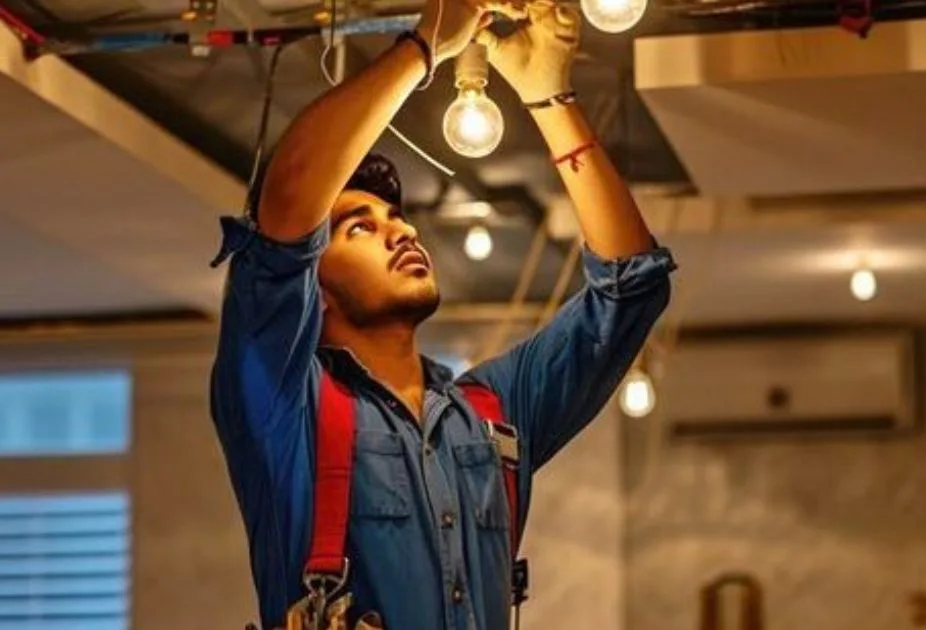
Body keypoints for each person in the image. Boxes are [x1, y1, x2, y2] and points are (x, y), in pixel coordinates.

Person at [209, 0, 676, 626]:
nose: (400, 232)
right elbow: (287, 205)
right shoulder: (283, 407)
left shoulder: (490, 415)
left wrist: (549, 98)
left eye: (399, 219)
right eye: (360, 228)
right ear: (311, 286)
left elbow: (630, 290)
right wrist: (425, 45)